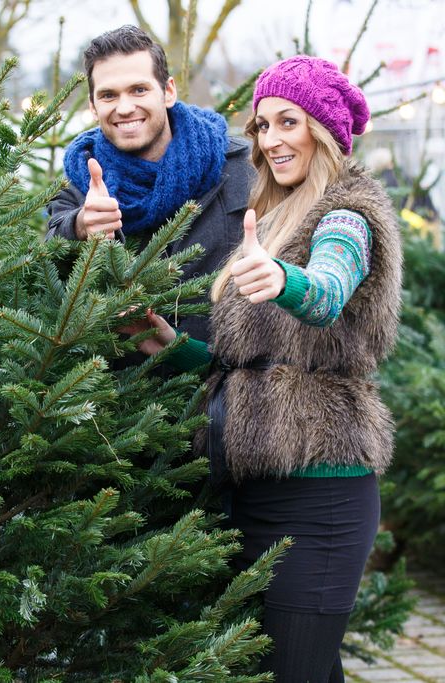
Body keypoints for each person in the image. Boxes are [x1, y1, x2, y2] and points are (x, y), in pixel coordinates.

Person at [123, 55, 402, 681]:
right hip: (252, 492)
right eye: (262, 126)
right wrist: (168, 346)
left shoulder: (346, 215)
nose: (272, 140)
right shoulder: (274, 218)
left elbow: (328, 288)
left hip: (322, 496)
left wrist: (285, 280)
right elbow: (244, 369)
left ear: (323, 130)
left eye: (288, 123)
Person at [47, 25, 253, 344]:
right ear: (92, 106)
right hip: (126, 387)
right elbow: (47, 264)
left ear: (168, 91)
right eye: (108, 95)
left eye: (139, 90)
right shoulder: (81, 179)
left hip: (226, 384)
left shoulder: (241, 164)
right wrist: (79, 227)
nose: (125, 107)